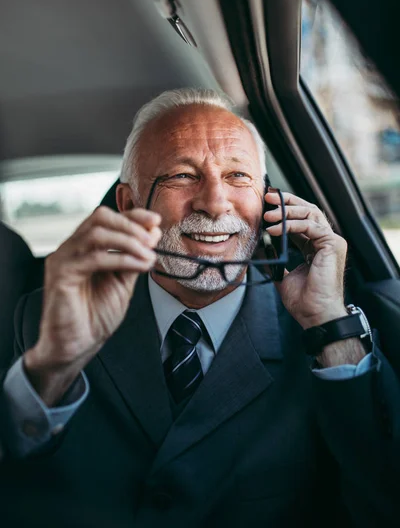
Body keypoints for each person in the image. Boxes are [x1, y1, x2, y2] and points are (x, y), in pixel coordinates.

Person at [0, 88, 399, 528]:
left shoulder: (316, 331)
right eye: (182, 176)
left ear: (269, 203)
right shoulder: (46, 318)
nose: (214, 203)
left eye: (237, 177)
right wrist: (52, 367)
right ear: (129, 205)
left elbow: (383, 499)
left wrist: (328, 324)